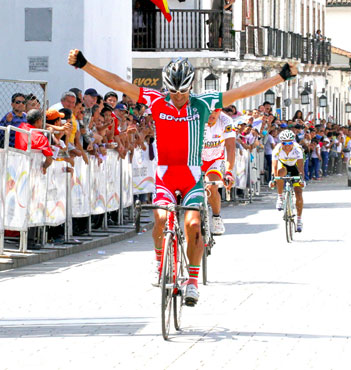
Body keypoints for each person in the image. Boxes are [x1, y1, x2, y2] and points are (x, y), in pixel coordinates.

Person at [68, 49, 297, 306]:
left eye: (183, 92)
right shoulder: (155, 99)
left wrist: (282, 76)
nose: (178, 97)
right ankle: (159, 262)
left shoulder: (205, 102)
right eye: (173, 92)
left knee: (193, 226)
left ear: (191, 87)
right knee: (161, 217)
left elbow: (245, 91)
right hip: (165, 175)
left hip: (191, 176)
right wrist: (85, 65)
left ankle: (192, 282)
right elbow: (118, 83)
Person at [201, 109, 235, 235]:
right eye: (208, 111)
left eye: (215, 111)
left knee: (211, 186)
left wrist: (229, 172)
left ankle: (216, 217)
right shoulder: (194, 117)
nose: (212, 114)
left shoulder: (226, 121)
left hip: (215, 159)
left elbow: (230, 148)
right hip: (196, 159)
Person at [270, 130, 305, 232]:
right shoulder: (277, 149)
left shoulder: (297, 149)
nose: (287, 145)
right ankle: (280, 197)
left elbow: (301, 167)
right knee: (279, 173)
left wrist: (301, 179)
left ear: (293, 142)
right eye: (284, 143)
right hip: (283, 165)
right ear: (281, 142)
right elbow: (274, 166)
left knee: (298, 193)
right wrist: (273, 179)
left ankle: (299, 220)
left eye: (290, 142)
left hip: (295, 167)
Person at [15, 109, 53, 174]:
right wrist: (44, 167)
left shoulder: (21, 127)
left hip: (18, 168)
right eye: (42, 120)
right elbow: (49, 160)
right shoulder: (41, 138)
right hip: (32, 172)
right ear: (38, 121)